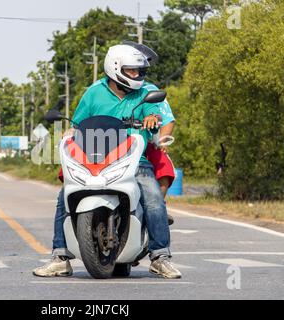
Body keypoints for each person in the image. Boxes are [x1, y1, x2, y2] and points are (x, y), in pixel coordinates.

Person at [33, 43, 181, 279]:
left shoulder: (146, 93)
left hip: (134, 160)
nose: (138, 75)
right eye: (132, 71)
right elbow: (77, 125)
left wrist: (153, 119)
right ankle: (60, 257)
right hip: (94, 160)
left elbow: (157, 116)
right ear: (115, 68)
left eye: (139, 71)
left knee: (153, 197)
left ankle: (160, 256)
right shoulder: (93, 93)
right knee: (64, 196)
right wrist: (69, 134)